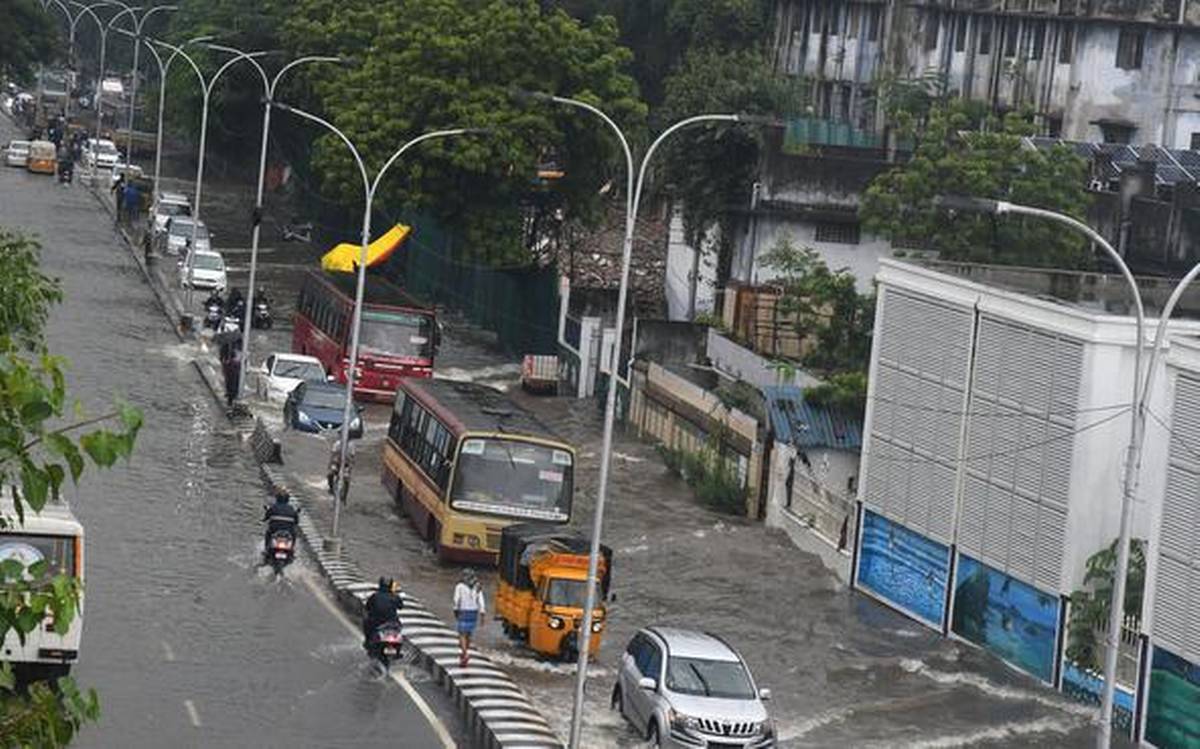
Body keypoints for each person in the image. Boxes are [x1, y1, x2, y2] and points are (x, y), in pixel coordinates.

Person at [453, 568, 486, 667]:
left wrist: (455, 609)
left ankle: (465, 654)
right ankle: (465, 652)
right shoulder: (477, 586)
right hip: (474, 613)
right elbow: (481, 601)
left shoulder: (459, 586)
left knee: (461, 634)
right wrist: (482, 613)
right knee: (468, 634)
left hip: (463, 611)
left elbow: (456, 599)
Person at [362, 577, 403, 647]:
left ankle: (367, 641)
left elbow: (367, 607)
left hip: (377, 621)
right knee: (399, 626)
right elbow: (401, 606)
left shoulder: (375, 596)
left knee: (366, 622)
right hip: (392, 622)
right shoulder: (395, 596)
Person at [261, 491, 299, 555]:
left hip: (275, 529)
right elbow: (296, 520)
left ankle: (266, 548)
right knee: (294, 534)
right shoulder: (291, 508)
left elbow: (267, 516)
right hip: (288, 530)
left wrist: (263, 520)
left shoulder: (273, 507)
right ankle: (292, 548)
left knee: (268, 533)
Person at [327, 438, 356, 502]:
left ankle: (344, 496)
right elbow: (333, 455)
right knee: (330, 474)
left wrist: (350, 466)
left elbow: (352, 458)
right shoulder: (337, 444)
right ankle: (331, 488)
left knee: (346, 479)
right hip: (337, 463)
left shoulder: (351, 445)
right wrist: (331, 464)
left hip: (346, 464)